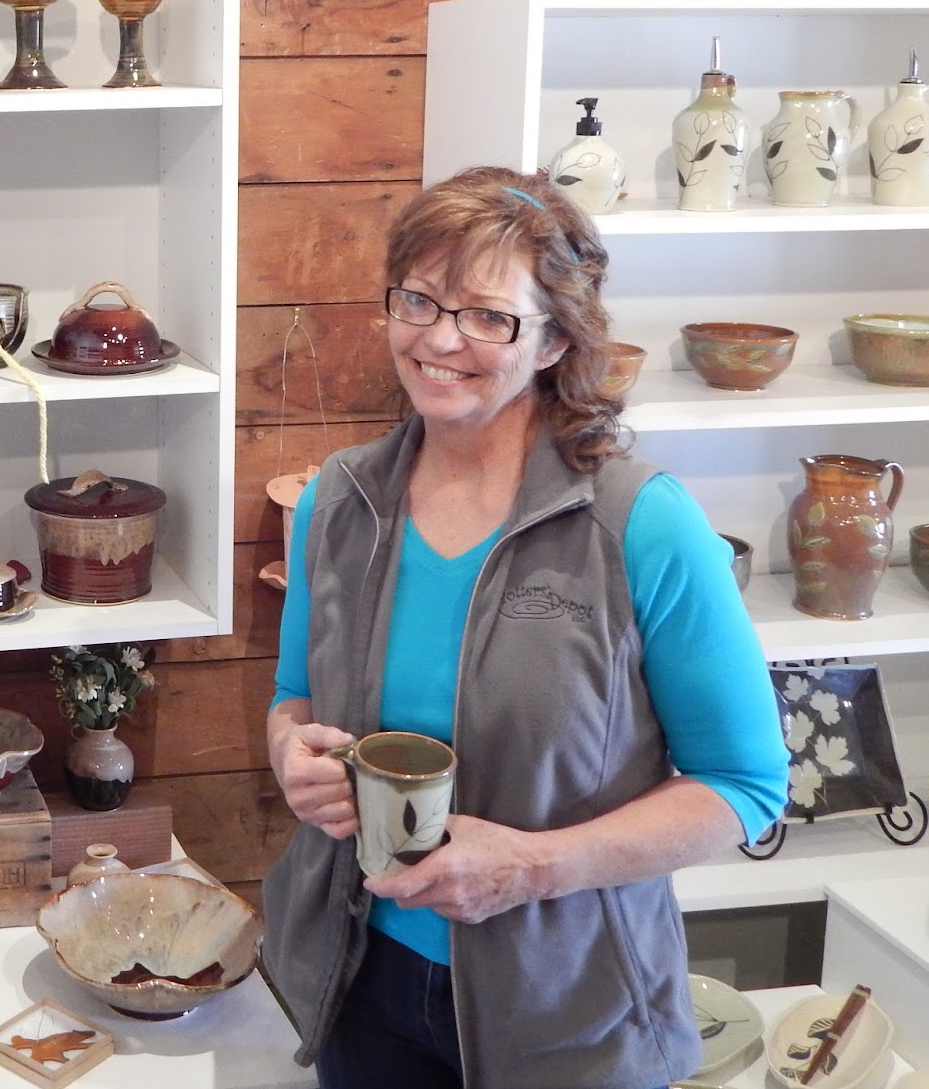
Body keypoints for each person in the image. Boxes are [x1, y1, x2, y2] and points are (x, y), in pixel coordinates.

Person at [261, 166, 787, 1089]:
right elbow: (293, 695)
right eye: (419, 299)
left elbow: (744, 785)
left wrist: (535, 867)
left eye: (488, 316)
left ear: (555, 341)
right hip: (358, 980)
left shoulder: (640, 524)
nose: (440, 338)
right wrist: (288, 752)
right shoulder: (337, 501)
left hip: (567, 1007)